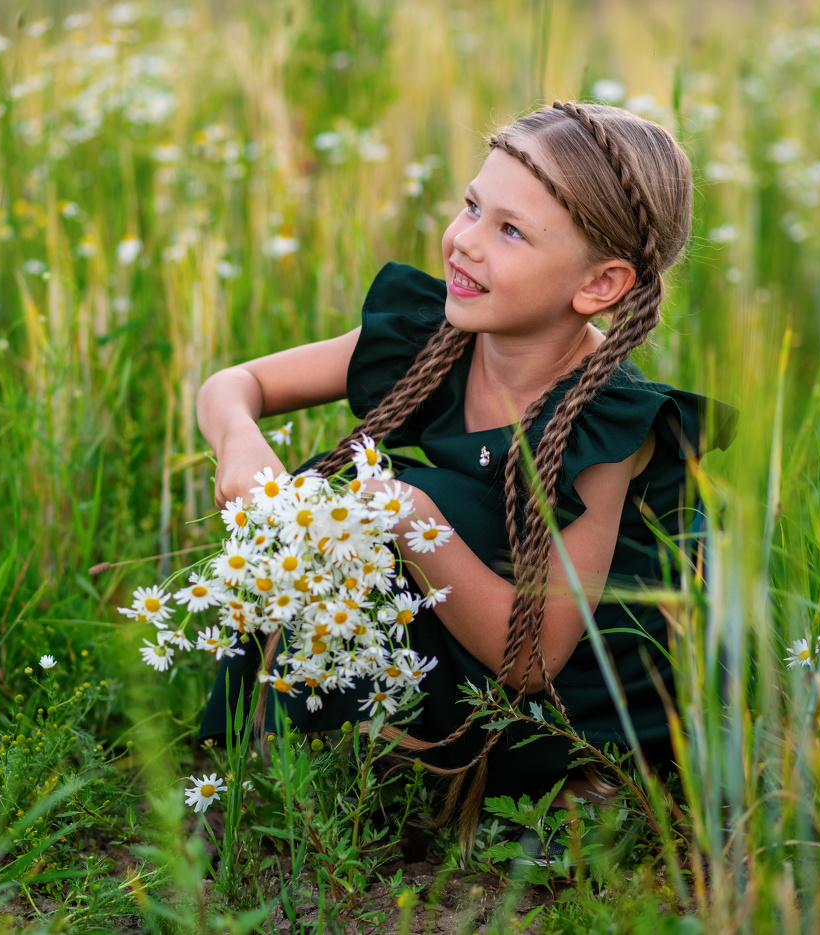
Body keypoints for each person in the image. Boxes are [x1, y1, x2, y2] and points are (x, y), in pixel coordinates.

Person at [193, 100, 736, 842]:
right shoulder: (437, 332)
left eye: (509, 230)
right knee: (337, 512)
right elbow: (233, 384)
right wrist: (240, 441)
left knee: (417, 495)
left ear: (601, 285)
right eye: (473, 206)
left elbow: (534, 658)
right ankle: (359, 747)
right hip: (470, 610)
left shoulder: (606, 424)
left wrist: (409, 513)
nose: (464, 243)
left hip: (580, 682)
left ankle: (573, 776)